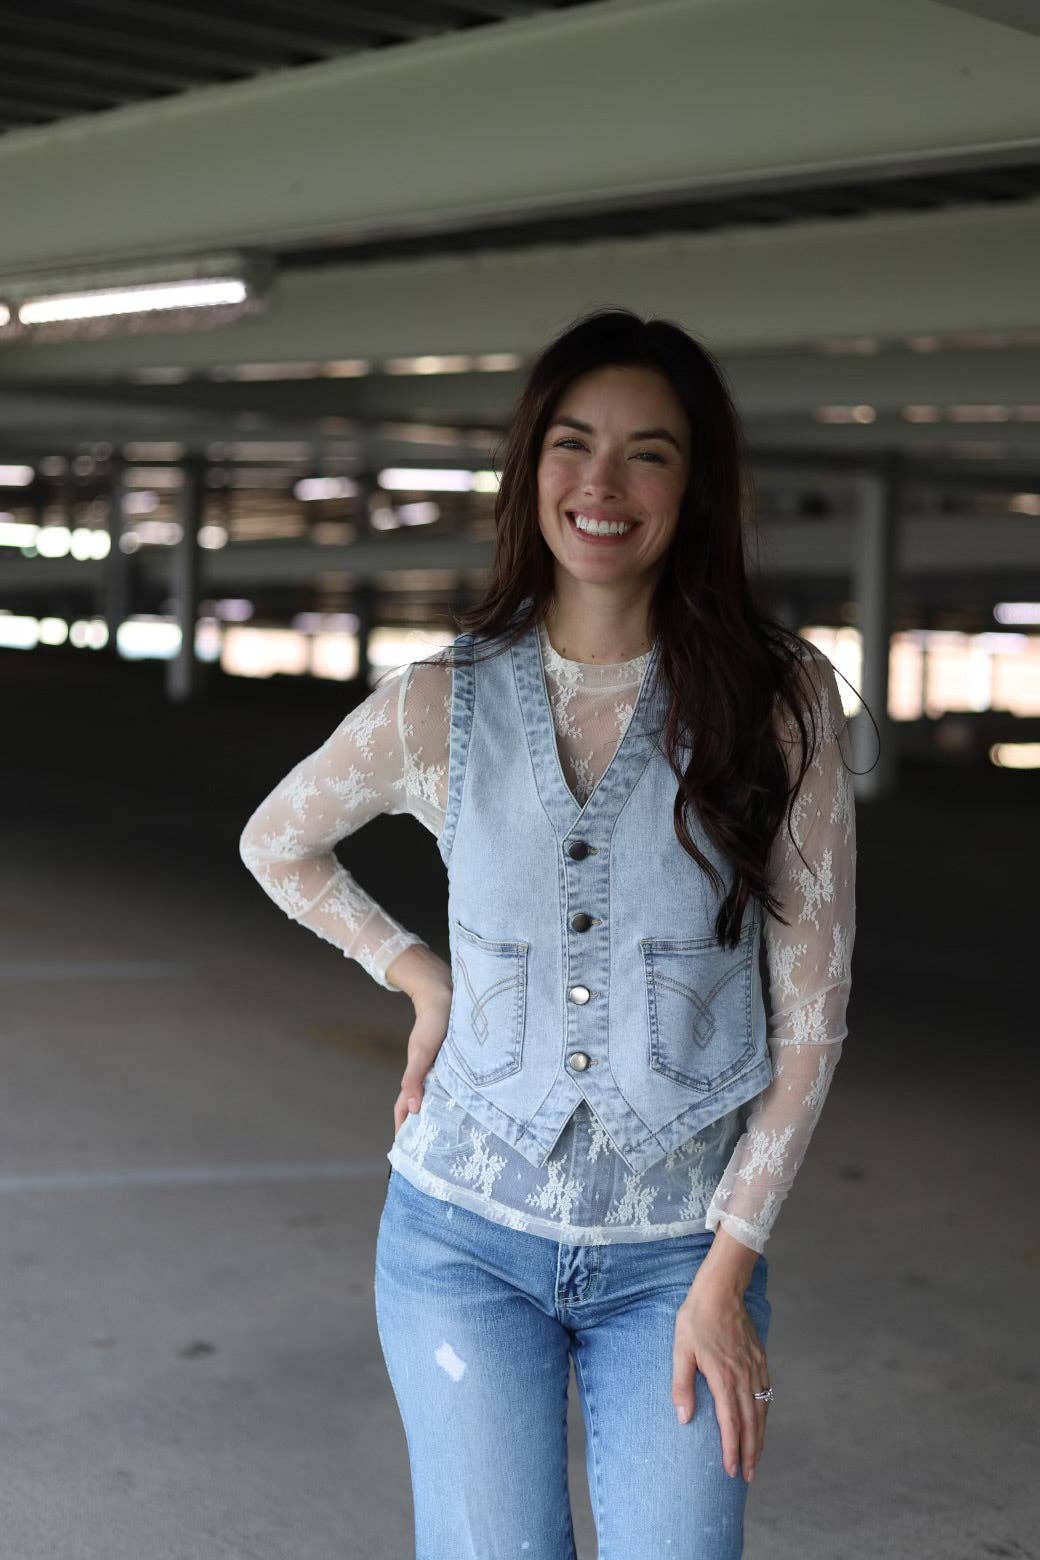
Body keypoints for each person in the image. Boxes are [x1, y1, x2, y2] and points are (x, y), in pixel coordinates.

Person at [239, 308, 860, 1559]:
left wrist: (725, 1276)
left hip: (673, 1258)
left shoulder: (774, 704)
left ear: (695, 486)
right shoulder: (442, 703)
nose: (602, 483)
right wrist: (420, 979)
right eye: (572, 444)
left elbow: (809, 1025)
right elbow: (276, 842)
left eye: (650, 452)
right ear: (530, 469)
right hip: (459, 1239)